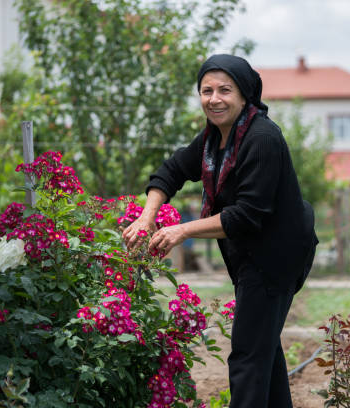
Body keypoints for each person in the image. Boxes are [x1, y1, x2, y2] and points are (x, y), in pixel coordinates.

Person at [123, 54, 318, 408]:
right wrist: (146, 215)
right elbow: (172, 170)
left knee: (247, 356)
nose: (214, 98)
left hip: (276, 256)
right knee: (263, 350)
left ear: (244, 95)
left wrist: (182, 230)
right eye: (206, 90)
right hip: (249, 254)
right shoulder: (214, 138)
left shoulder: (262, 138)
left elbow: (247, 215)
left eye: (225, 90)